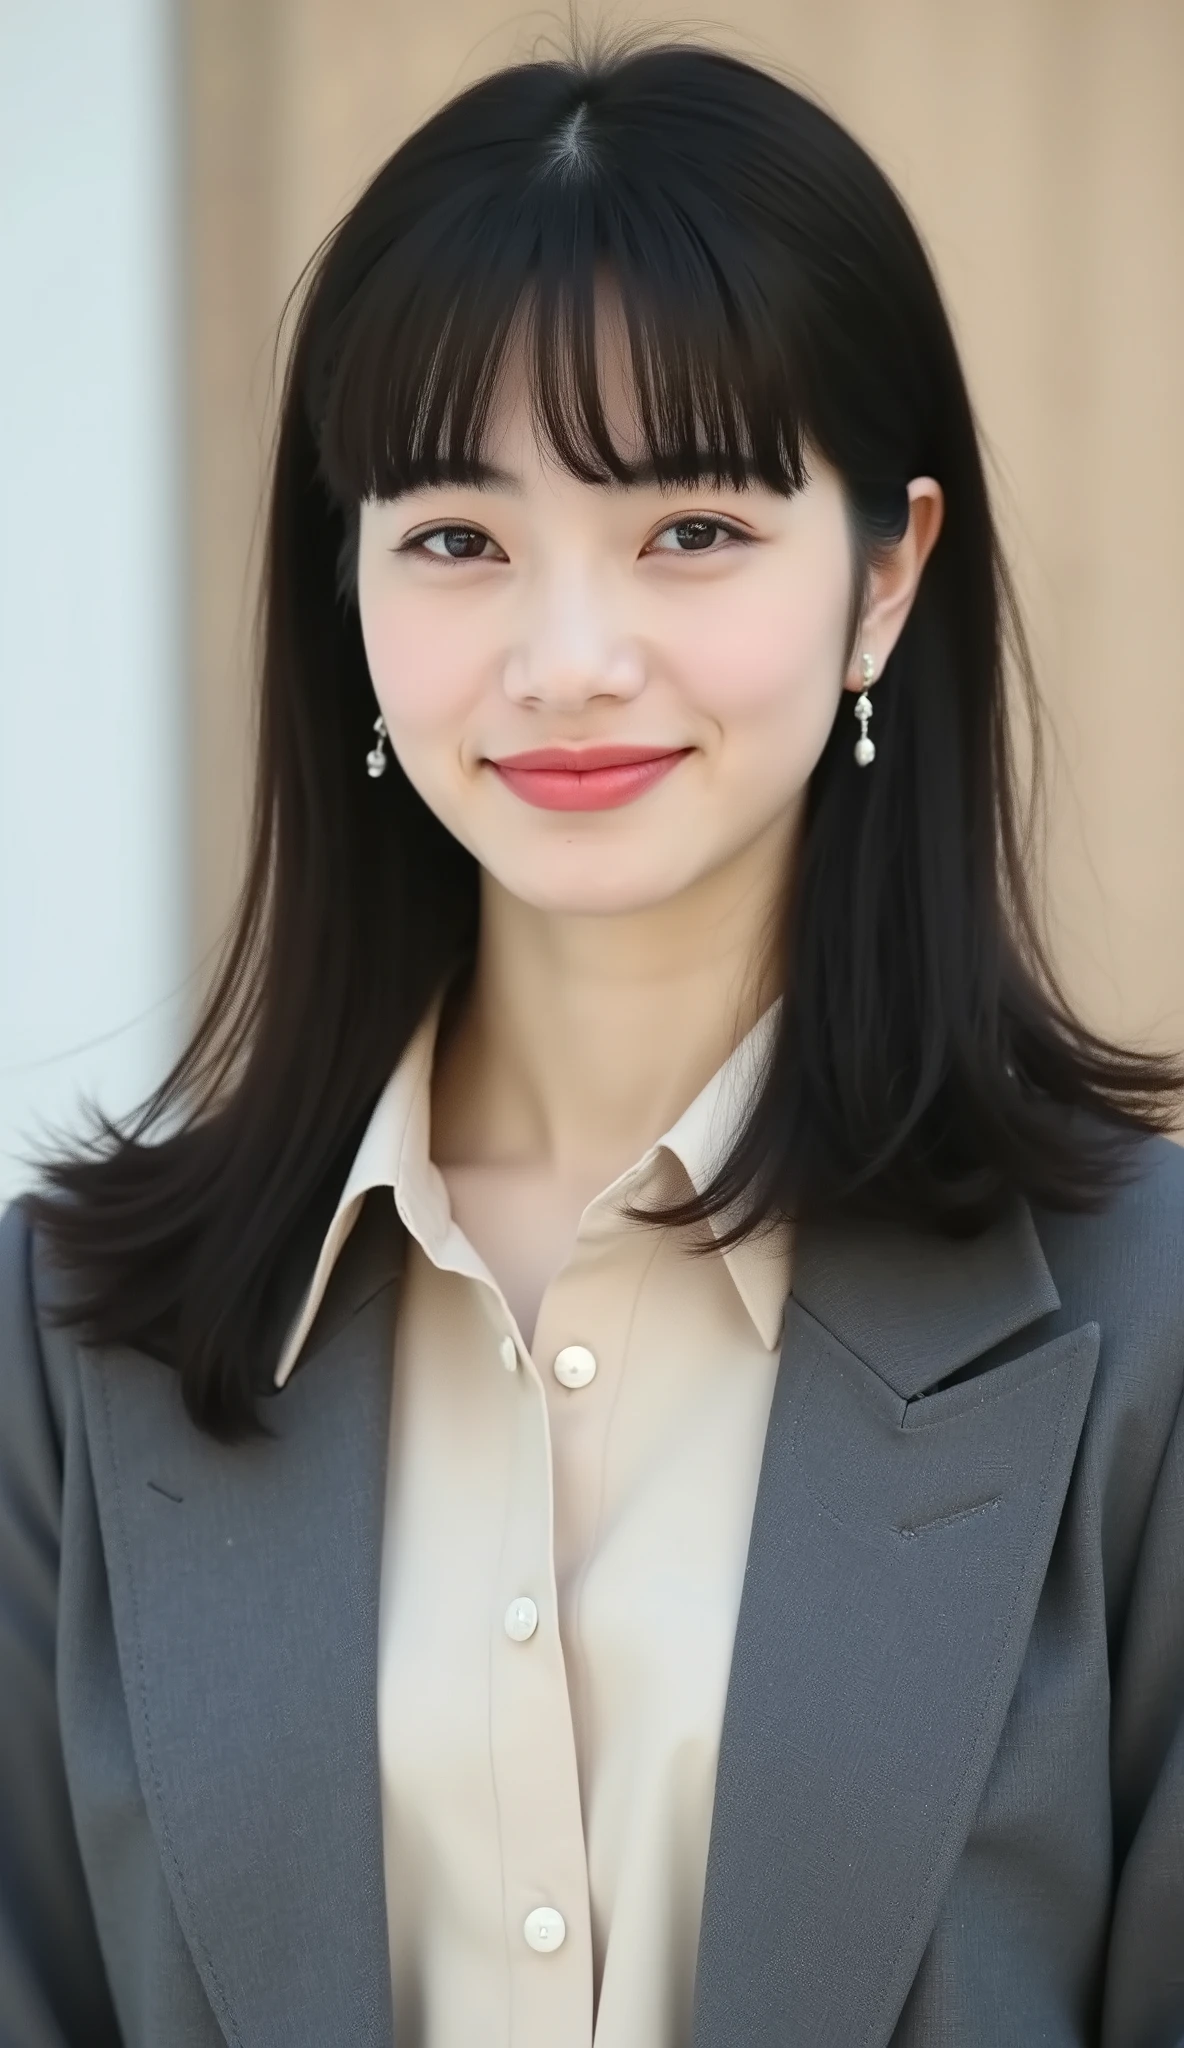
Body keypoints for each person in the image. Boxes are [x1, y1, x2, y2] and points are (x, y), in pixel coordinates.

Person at [2, 32, 1182, 2048]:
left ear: (886, 574)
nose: (566, 661)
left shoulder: (1144, 1327)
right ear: (347, 579)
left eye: (691, 528)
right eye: (458, 538)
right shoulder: (68, 1349)